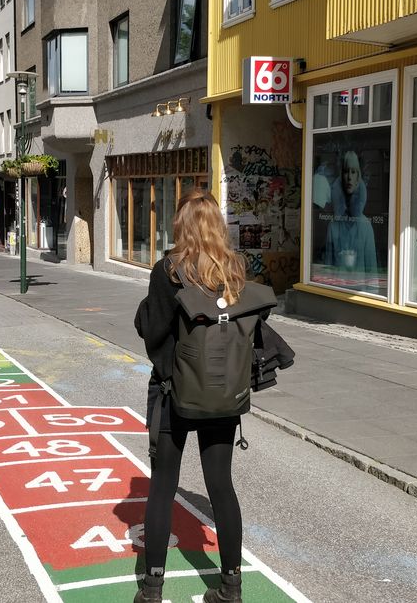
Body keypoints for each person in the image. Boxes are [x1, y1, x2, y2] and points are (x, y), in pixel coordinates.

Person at [132, 188, 249, 603]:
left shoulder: (168, 270)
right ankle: (231, 586)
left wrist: (146, 311)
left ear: (181, 227)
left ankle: (152, 590)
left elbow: (153, 331)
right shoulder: (235, 270)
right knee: (221, 486)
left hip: (172, 391)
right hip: (222, 392)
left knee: (163, 486)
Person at [324, 151, 377, 275]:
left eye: (353, 172)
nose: (349, 177)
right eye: (346, 171)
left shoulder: (365, 226)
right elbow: (327, 267)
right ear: (341, 176)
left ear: (358, 177)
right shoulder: (333, 225)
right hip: (336, 289)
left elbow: (372, 269)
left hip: (360, 291)